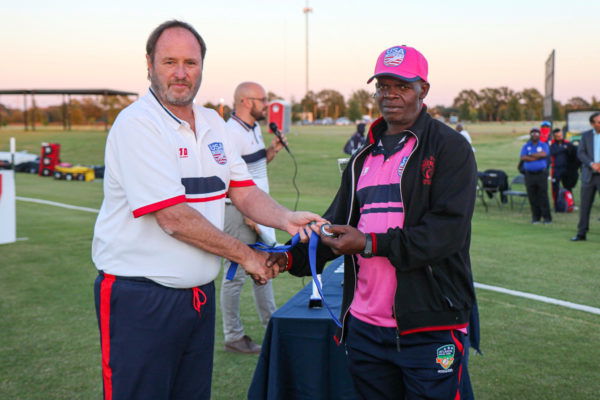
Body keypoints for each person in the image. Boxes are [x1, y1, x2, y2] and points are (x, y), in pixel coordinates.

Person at [91, 20, 322, 400]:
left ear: (202, 66)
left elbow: (243, 191)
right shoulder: (137, 124)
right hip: (139, 299)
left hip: (196, 296)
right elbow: (173, 218)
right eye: (169, 62)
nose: (181, 73)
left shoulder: (214, 123)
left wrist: (285, 218)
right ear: (149, 64)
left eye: (190, 62)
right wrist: (247, 256)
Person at [268, 45, 478, 399]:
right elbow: (334, 227)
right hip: (365, 326)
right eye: (383, 85)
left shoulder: (449, 147)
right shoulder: (362, 156)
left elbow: (446, 233)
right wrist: (289, 257)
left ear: (423, 89)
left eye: (402, 85)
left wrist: (369, 243)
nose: (390, 94)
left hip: (428, 324)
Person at [220, 82, 286, 354]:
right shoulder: (229, 133)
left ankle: (272, 325)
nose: (266, 104)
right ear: (246, 101)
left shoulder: (255, 128)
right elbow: (224, 177)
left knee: (265, 266)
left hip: (259, 210)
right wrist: (248, 213)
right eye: (262, 99)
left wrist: (273, 150)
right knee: (235, 274)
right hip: (239, 212)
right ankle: (233, 336)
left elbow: (253, 168)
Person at [571, 112, 600, 241]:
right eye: (598, 122)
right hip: (589, 176)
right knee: (585, 205)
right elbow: (581, 153)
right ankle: (581, 233)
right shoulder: (586, 135)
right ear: (592, 124)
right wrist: (591, 163)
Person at [520, 128, 552, 224]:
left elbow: (544, 154)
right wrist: (537, 157)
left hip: (541, 174)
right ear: (530, 135)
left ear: (539, 135)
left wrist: (530, 156)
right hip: (529, 175)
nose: (535, 135)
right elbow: (523, 157)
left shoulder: (543, 145)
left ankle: (547, 218)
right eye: (533, 133)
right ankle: (536, 217)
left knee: (543, 195)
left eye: (537, 133)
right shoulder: (526, 146)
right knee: (532, 196)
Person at [549, 128, 577, 208]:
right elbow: (552, 152)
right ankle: (556, 204)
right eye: (557, 136)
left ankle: (570, 203)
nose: (560, 137)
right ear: (554, 136)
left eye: (561, 135)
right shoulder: (551, 144)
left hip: (566, 169)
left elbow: (573, 153)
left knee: (568, 186)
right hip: (556, 169)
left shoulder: (568, 143)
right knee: (555, 187)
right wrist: (562, 149)